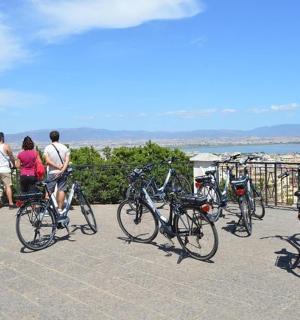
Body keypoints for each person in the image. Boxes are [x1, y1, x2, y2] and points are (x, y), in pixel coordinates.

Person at [43, 130, 70, 212]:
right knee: (61, 190)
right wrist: (62, 170)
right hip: (62, 173)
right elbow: (67, 161)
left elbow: (47, 161)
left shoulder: (48, 148)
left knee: (49, 191)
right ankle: (60, 208)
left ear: (50, 138)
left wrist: (57, 166)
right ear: (59, 137)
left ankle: (47, 209)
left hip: (52, 173)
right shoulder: (64, 147)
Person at [0, 132, 16, 209]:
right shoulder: (6, 146)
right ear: (2, 138)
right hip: (5, 169)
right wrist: (14, 165)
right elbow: (12, 157)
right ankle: (10, 203)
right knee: (8, 186)